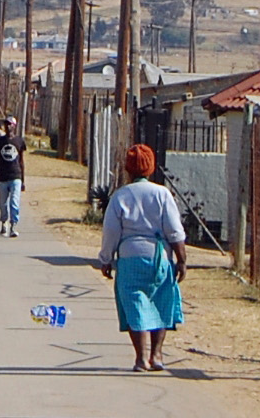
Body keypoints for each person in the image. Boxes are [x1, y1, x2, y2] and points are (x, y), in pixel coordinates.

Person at [97, 144, 187, 372]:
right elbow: (174, 231)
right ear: (151, 168)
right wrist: (181, 260)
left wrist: (106, 258)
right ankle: (157, 355)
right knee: (161, 302)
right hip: (159, 258)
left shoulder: (120, 196)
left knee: (134, 304)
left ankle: (141, 358)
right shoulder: (162, 194)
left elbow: (111, 232)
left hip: (130, 257)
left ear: (128, 169)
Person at [0, 115, 26, 236]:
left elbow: (21, 161)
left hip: (15, 175)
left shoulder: (19, 141)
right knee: (3, 203)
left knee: (14, 202)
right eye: (6, 124)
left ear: (14, 126)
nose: (7, 126)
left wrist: (23, 180)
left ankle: (13, 225)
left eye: (10, 124)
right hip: (2, 176)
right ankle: (3, 222)